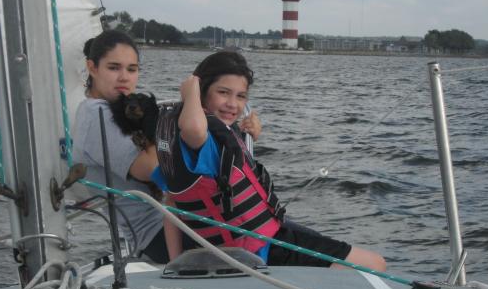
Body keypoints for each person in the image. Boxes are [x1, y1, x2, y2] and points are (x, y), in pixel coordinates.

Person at [154, 51, 386, 271]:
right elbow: (195, 128)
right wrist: (190, 91)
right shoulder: (198, 138)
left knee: (318, 242)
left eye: (241, 96)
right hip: (261, 248)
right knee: (375, 264)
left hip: (251, 242)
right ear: (203, 92)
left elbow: (172, 204)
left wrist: (174, 263)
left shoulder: (183, 145)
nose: (233, 104)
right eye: (223, 93)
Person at [72, 30, 178, 263]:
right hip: (158, 237)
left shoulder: (110, 110)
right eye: (113, 68)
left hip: (168, 226)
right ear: (92, 67)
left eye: (132, 69)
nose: (124, 78)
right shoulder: (96, 114)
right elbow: (151, 168)